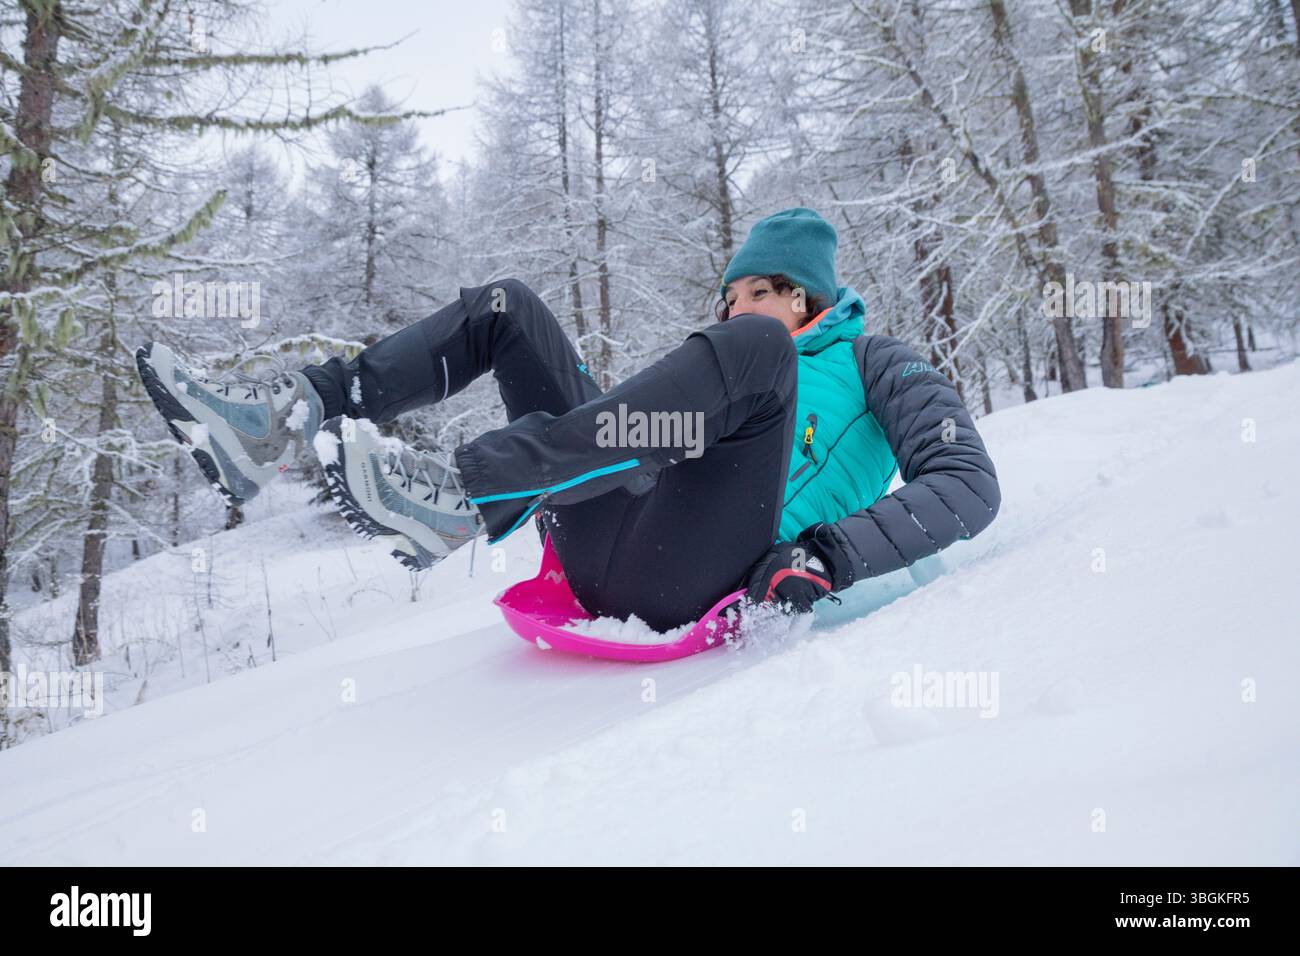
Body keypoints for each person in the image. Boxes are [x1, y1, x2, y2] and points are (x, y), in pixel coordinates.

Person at [135, 207, 1000, 632]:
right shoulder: (742, 355)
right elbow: (641, 432)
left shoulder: (879, 364)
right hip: (607, 535)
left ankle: (470, 494)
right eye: (731, 297)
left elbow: (968, 484)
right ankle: (279, 421)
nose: (739, 310)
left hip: (710, 571)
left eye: (761, 293)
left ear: (807, 296)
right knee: (507, 307)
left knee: (756, 354)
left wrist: (826, 557)